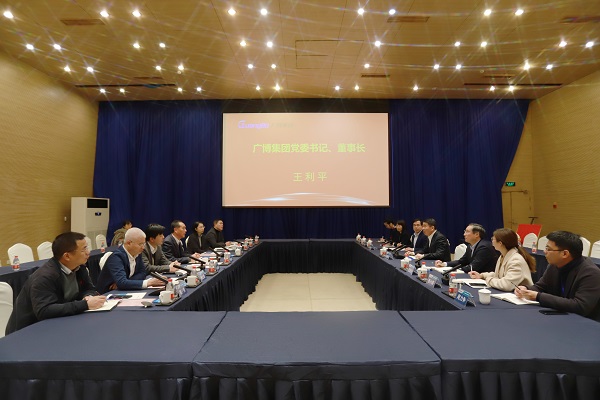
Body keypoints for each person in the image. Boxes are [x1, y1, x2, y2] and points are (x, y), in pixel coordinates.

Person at [6, 232, 106, 334]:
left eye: (87, 248)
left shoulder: (80, 268)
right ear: (67, 256)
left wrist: (88, 296)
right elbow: (44, 310)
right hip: (27, 331)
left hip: (58, 322)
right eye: (83, 249)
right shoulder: (44, 276)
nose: (88, 252)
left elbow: (89, 289)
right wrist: (84, 305)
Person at [515, 231, 600, 321]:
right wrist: (525, 288)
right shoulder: (555, 265)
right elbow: (541, 287)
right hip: (559, 317)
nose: (544, 251)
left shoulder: (591, 273)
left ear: (565, 254)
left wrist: (538, 296)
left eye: (548, 249)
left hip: (584, 323)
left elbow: (580, 306)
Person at [96, 227, 163, 294]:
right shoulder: (116, 257)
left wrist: (127, 282)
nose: (143, 247)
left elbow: (143, 273)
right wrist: (148, 283)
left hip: (124, 290)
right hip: (108, 294)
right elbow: (122, 283)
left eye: (144, 244)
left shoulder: (137, 253)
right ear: (129, 243)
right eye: (140, 244)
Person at [469, 228, 534, 291]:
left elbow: (506, 285)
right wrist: (481, 275)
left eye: (493, 239)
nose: (492, 241)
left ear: (500, 243)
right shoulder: (503, 255)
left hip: (520, 296)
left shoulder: (516, 260)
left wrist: (488, 279)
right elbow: (499, 275)